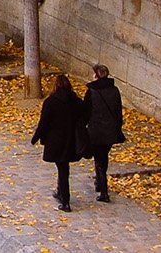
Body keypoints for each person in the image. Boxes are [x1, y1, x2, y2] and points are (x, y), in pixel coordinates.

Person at [31, 72, 86, 211]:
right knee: (63, 168)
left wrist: (36, 137)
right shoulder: (76, 101)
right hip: (70, 140)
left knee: (62, 168)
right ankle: (60, 191)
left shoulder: (51, 102)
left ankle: (65, 200)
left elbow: (43, 122)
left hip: (56, 140)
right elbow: (83, 117)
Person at [84, 64, 124, 203]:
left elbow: (86, 112)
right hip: (110, 131)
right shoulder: (114, 90)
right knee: (103, 157)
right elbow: (118, 111)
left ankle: (103, 190)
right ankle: (100, 183)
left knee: (99, 159)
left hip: (96, 131)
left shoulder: (92, 91)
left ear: (96, 76)